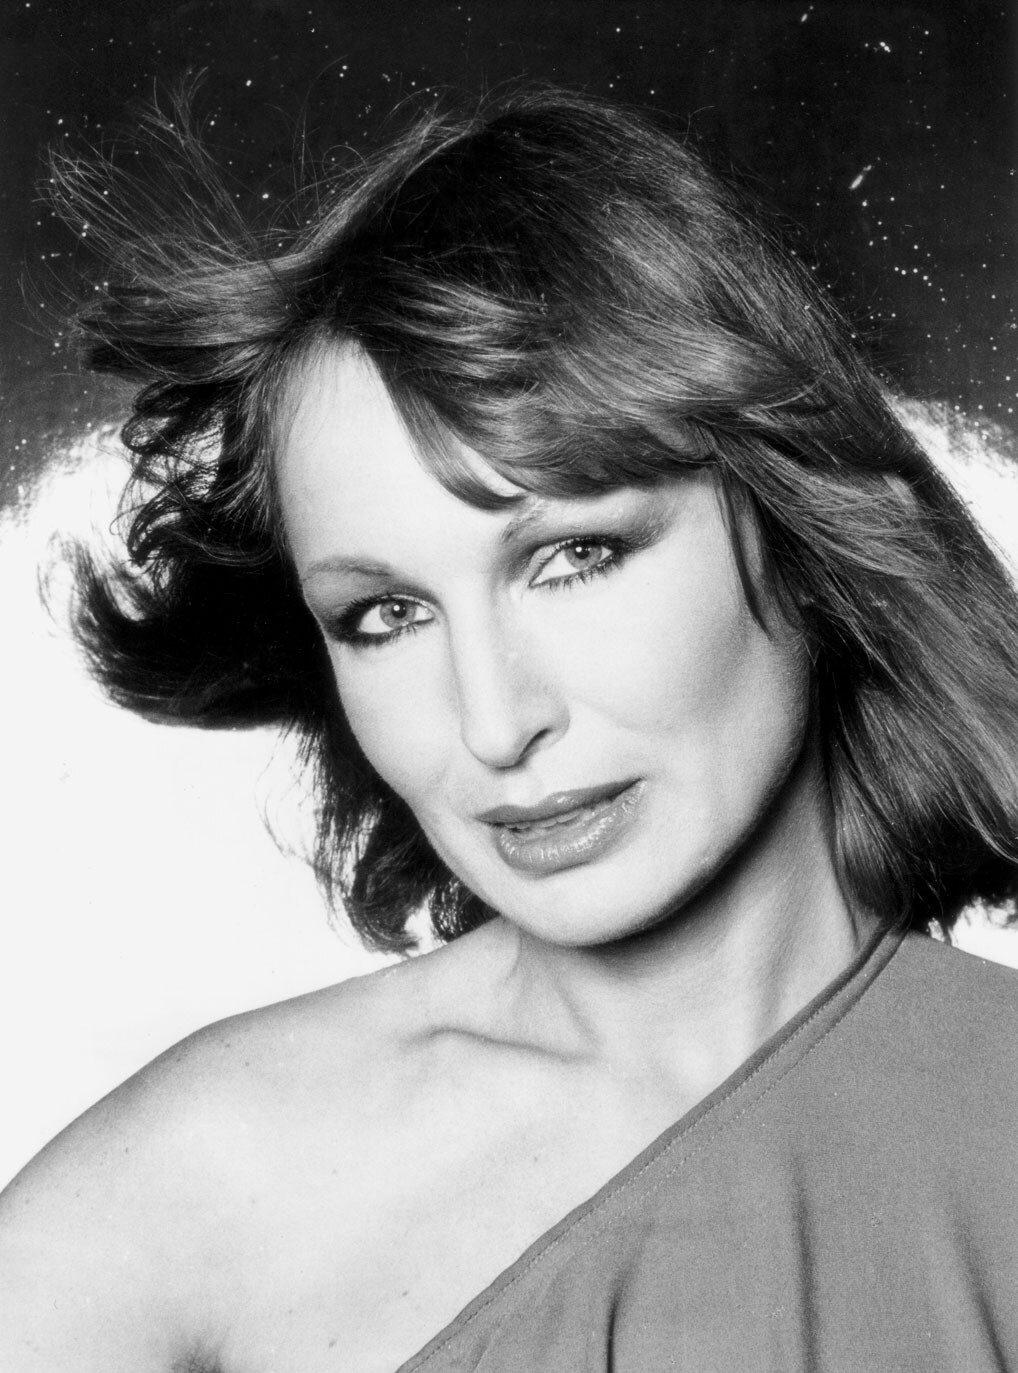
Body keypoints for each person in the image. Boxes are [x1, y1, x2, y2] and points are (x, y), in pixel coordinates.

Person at [3, 86, 1018, 1372]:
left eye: (574, 555)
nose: (492, 722)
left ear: (801, 523)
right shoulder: (197, 1192)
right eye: (384, 614)